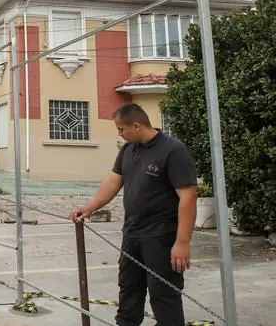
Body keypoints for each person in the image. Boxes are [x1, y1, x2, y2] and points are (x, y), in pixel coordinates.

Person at [69, 103, 198, 326]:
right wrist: (90, 207)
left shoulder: (173, 151)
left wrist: (182, 242)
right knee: (129, 289)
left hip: (161, 236)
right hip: (132, 234)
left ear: (136, 125)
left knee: (164, 294)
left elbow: (188, 197)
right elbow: (112, 181)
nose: (119, 134)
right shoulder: (128, 150)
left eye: (121, 129)